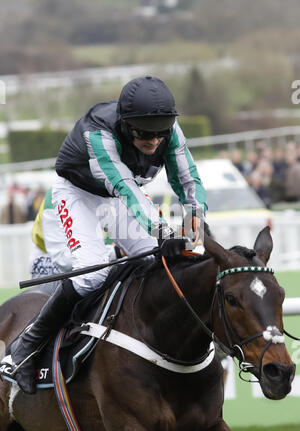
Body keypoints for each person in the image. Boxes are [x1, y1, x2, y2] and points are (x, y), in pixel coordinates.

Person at [8, 75, 207, 394]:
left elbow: (187, 178)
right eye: (145, 134)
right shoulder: (98, 132)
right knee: (92, 274)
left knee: (160, 261)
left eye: (160, 133)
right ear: (127, 125)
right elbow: (125, 187)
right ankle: (27, 346)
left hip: (116, 198)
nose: (154, 141)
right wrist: (163, 230)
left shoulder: (168, 131)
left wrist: (195, 215)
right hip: (79, 195)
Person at [29, 187, 123, 295]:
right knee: (92, 281)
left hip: (99, 258)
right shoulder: (55, 196)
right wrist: (116, 252)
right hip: (51, 262)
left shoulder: (116, 188)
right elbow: (65, 261)